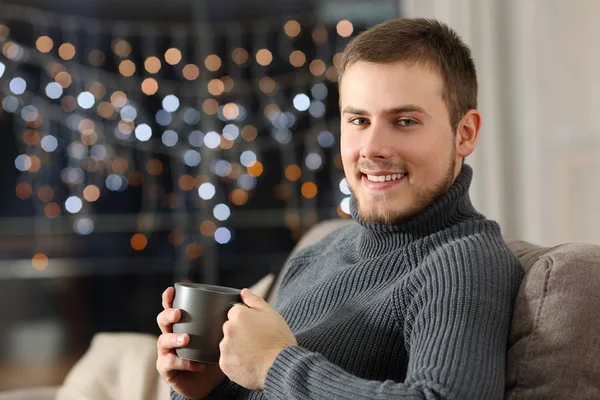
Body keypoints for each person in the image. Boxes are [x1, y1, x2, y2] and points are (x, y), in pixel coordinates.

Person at [156, 17, 524, 399]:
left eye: (405, 121)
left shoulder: (462, 262)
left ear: (465, 134)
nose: (372, 147)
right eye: (359, 120)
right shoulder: (317, 254)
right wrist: (208, 390)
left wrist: (274, 363)